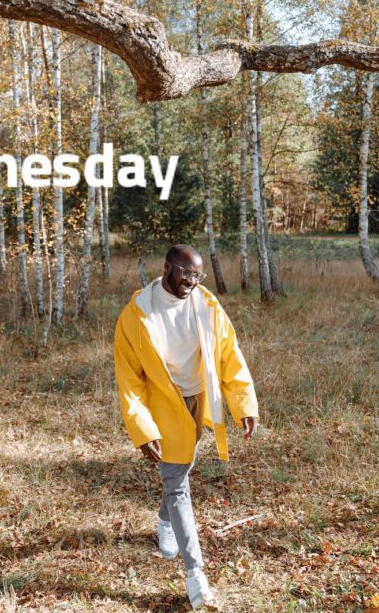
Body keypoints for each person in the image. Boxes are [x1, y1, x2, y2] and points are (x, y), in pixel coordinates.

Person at [113, 244, 259, 609]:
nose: (191, 282)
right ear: (167, 268)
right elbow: (129, 381)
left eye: (197, 275)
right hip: (164, 406)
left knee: (182, 468)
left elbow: (230, 355)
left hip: (199, 400)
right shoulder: (136, 316)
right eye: (185, 273)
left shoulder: (206, 305)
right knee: (177, 481)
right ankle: (196, 576)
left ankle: (165, 520)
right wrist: (143, 427)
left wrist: (243, 403)